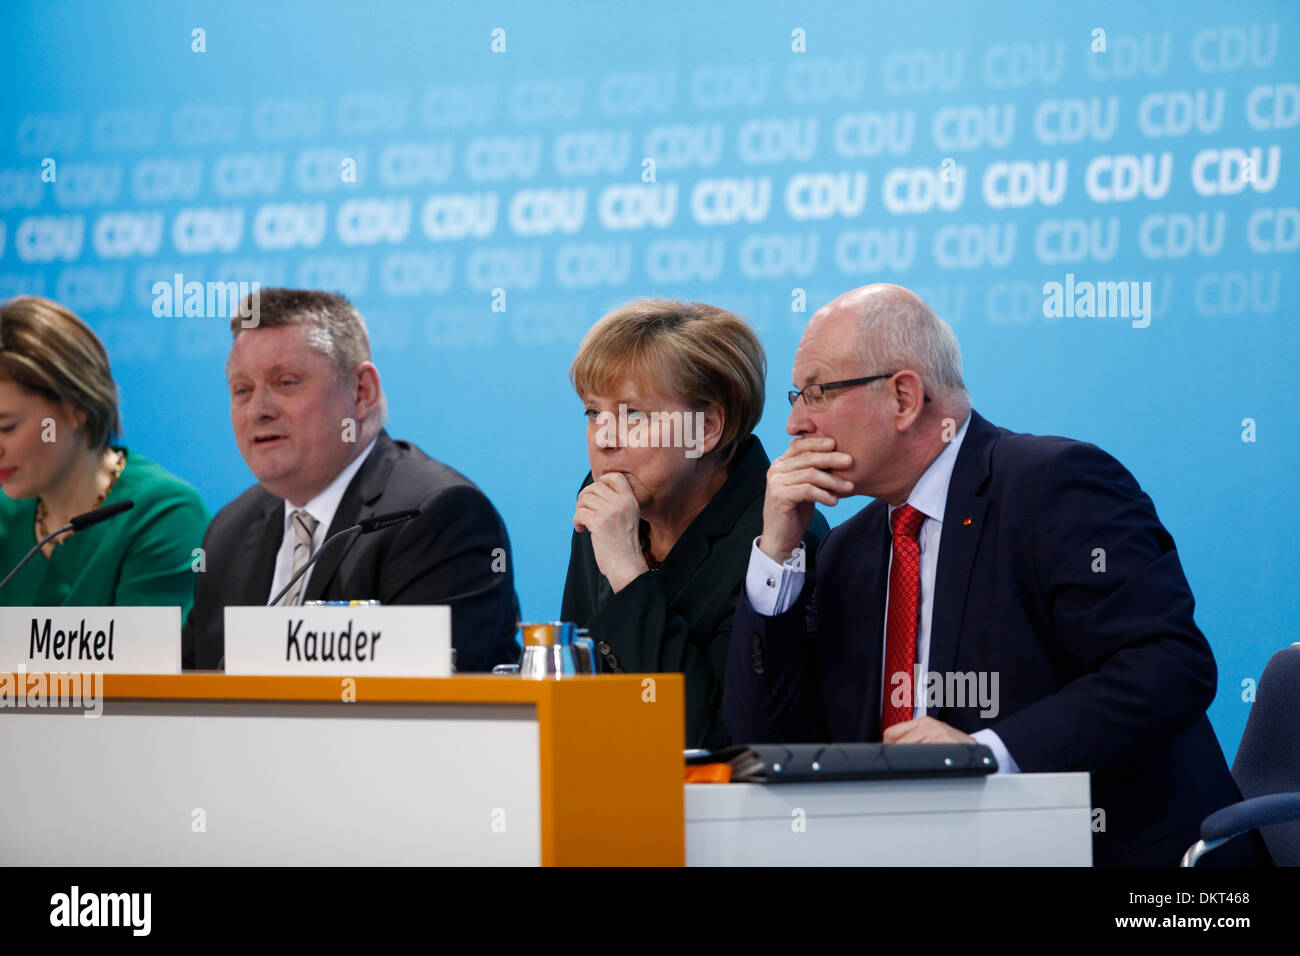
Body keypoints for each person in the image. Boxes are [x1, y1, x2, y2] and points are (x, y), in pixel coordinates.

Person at [723, 283, 1271, 867]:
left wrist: (987, 756)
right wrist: (778, 550)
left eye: (815, 392)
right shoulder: (848, 552)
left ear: (904, 398)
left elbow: (1168, 667)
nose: (793, 423)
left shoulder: (1055, 485)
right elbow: (768, 743)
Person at [182, 288, 519, 671]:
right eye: (242, 390)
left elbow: (419, 709)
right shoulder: (228, 532)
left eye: (286, 382)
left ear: (362, 392)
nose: (258, 410)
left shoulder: (436, 516)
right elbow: (187, 693)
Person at [562, 299, 829, 750]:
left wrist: (629, 576)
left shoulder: (780, 537)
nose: (603, 439)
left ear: (706, 428)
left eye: (633, 415)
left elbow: (718, 742)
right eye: (593, 413)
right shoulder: (605, 502)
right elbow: (579, 699)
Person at [0, 295, 208, 613]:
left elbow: (144, 661)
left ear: (75, 409)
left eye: (7, 427)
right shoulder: (6, 511)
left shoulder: (164, 514)